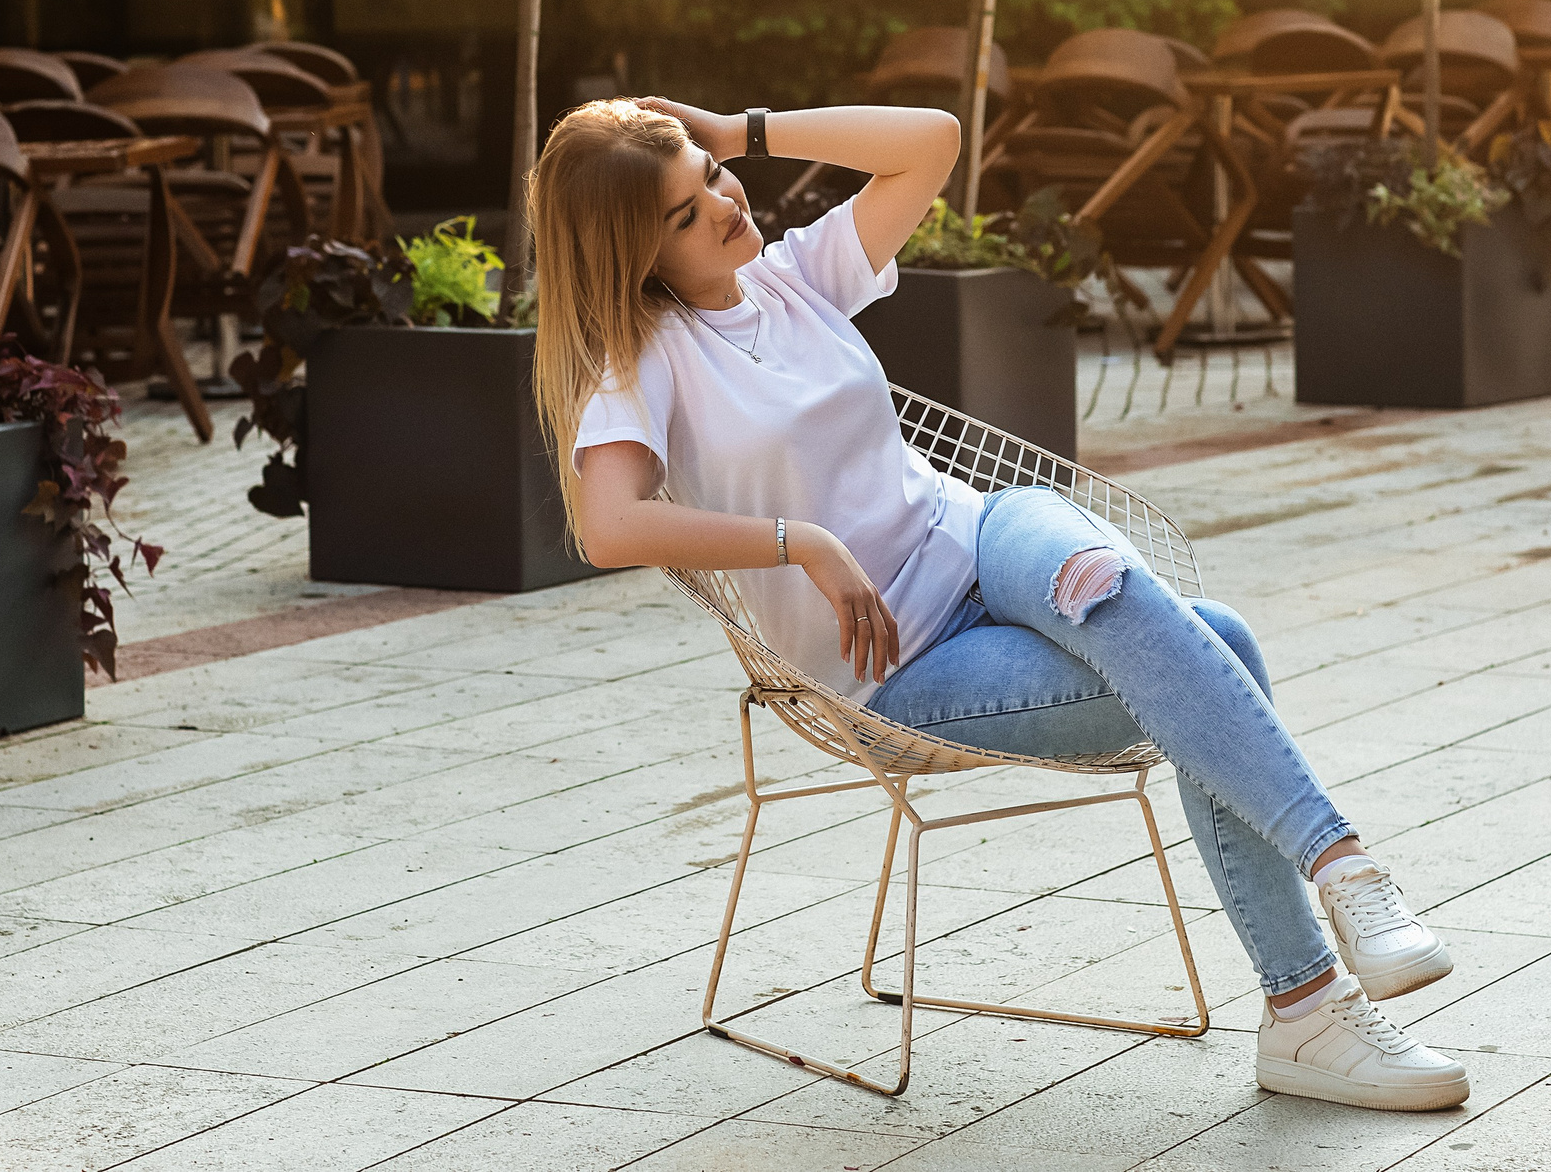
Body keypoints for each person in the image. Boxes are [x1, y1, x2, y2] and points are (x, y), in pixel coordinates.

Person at [531, 96, 1470, 1112]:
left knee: (1115, 586)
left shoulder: (790, 277)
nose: (721, 204)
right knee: (1222, 642)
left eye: (711, 178)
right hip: (898, 668)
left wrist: (739, 129)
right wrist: (799, 544)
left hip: (980, 535)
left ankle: (1341, 890)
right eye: (681, 215)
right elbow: (608, 526)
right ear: (634, 255)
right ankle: (1311, 1002)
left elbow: (931, 141)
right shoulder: (646, 359)